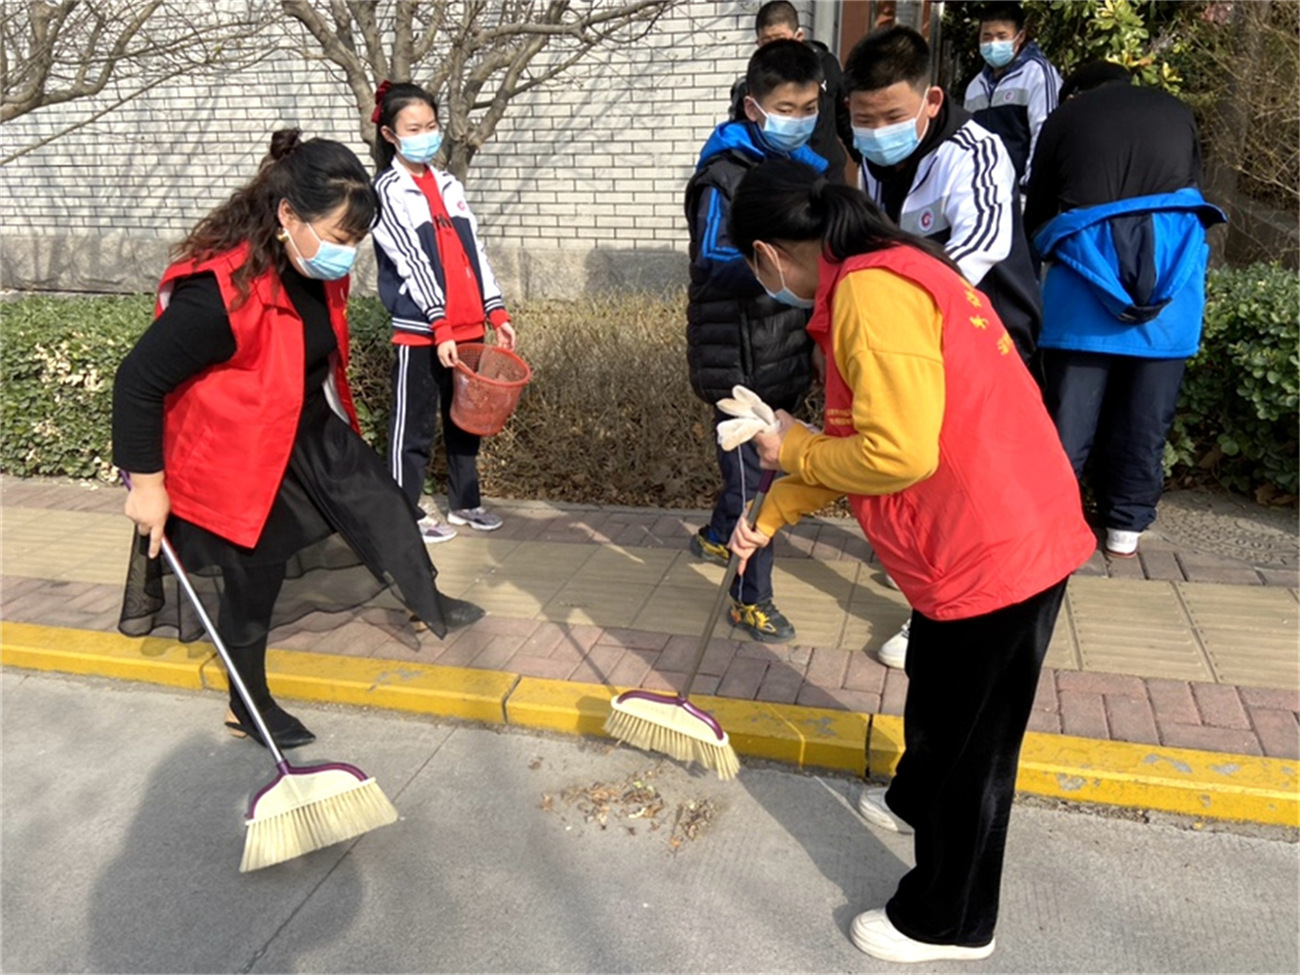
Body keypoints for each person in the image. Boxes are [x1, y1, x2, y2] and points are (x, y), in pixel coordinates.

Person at [726, 158, 1094, 964]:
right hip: (976, 539)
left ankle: (951, 919)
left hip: (996, 548)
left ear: (769, 253)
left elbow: (895, 453)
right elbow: (858, 440)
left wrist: (788, 446)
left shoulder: (868, 292)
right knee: (938, 694)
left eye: (758, 270)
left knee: (976, 746)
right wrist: (774, 510)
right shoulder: (893, 269)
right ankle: (911, 797)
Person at [113, 130, 483, 750]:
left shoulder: (309, 268)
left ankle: (425, 594)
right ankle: (247, 702)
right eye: (341, 238)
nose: (346, 254)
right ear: (289, 215)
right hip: (240, 451)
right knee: (254, 580)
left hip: (304, 425)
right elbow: (137, 383)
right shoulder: (218, 294)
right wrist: (148, 489)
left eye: (354, 243)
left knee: (384, 505)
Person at [846, 24, 1044, 669]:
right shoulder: (874, 162)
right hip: (915, 338)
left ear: (931, 100)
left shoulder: (976, 151)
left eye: (892, 116)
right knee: (915, 470)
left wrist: (888, 316)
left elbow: (977, 248)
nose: (877, 132)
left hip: (985, 336)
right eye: (863, 120)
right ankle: (929, 588)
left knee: (961, 483)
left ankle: (938, 612)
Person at [1025, 61, 1226, 559]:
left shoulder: (1065, 119)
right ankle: (1125, 528)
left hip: (1081, 294)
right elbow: (1187, 194)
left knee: (1069, 417)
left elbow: (1037, 213)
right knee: (1146, 418)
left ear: (1075, 94)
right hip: (1170, 296)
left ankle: (1054, 523)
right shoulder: (1176, 111)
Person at [685, 39, 828, 643]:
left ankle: (717, 536)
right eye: (786, 107)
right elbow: (712, 258)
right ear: (753, 107)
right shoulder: (723, 176)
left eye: (810, 106)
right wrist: (784, 266)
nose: (799, 119)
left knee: (752, 471)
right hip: (736, 357)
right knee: (758, 479)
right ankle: (750, 597)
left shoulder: (809, 172)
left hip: (782, 351)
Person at [371, 81, 516, 542]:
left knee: (465, 418)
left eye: (431, 126)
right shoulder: (387, 190)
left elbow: (475, 252)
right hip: (423, 329)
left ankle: (465, 503)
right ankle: (403, 512)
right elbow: (410, 259)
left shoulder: (449, 184)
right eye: (414, 128)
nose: (425, 135)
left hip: (469, 326)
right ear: (391, 135)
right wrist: (439, 322)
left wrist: (496, 313)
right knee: (412, 423)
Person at [728, 0, 855, 182]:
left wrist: (864, 159)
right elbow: (740, 138)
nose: (776, 51)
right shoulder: (750, 86)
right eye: (767, 43)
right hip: (779, 179)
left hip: (828, 175)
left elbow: (845, 119)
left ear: (798, 36)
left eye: (780, 40)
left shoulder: (826, 65)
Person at [962, 1, 1062, 189]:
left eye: (1002, 36)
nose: (993, 44)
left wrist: (1030, 190)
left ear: (1020, 36)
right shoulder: (975, 87)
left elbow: (1045, 135)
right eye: (987, 37)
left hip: (1022, 195)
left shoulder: (1037, 75)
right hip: (983, 195)